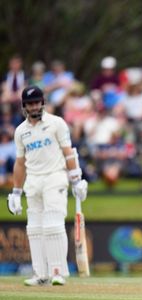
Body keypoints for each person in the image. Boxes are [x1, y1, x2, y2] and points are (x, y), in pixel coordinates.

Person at [7, 85, 88, 286]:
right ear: (24, 106)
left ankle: (57, 272)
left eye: (37, 102)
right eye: (30, 103)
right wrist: (16, 192)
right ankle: (40, 274)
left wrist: (76, 179)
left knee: (53, 225)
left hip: (55, 177)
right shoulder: (20, 132)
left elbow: (68, 151)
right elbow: (20, 162)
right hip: (33, 181)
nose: (34, 106)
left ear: (43, 103)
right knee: (34, 229)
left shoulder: (56, 123)